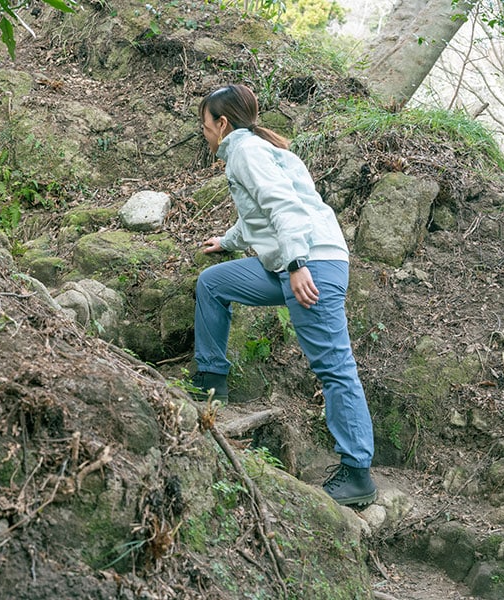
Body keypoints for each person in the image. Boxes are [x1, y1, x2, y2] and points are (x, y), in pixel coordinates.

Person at [189, 84, 376, 507]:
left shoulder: (244, 151)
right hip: (293, 262)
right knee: (214, 284)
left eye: (206, 126)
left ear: (222, 123)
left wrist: (296, 265)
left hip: (310, 265)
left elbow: (284, 207)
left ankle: (357, 473)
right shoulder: (262, 148)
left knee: (333, 367)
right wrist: (229, 241)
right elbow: (259, 214)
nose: (205, 134)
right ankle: (211, 383)